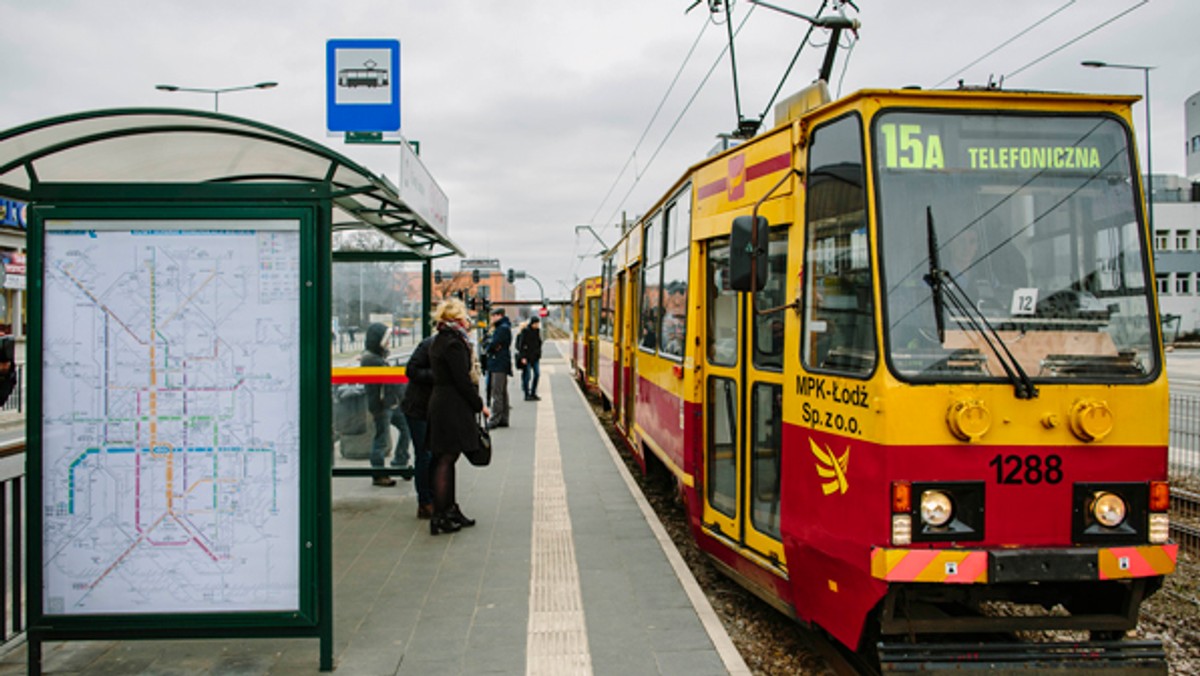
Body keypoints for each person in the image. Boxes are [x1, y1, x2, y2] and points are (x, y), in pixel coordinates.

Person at [427, 298, 489, 535]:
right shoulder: (453, 343)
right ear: (456, 318)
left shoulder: (441, 340)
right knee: (446, 459)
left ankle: (449, 511)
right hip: (451, 405)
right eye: (464, 315)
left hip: (444, 403)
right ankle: (441, 516)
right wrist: (478, 405)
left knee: (448, 458)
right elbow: (461, 379)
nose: (468, 320)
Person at [402, 335, 436, 518]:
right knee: (424, 455)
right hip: (418, 408)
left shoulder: (452, 345)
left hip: (432, 409)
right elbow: (411, 370)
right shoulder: (429, 345)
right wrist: (436, 374)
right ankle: (425, 501)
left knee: (432, 455)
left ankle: (432, 496)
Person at [361, 323, 397, 486]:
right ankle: (378, 473)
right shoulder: (373, 360)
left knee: (404, 428)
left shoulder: (375, 357)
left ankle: (400, 461)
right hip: (382, 405)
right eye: (386, 340)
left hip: (388, 403)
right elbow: (384, 381)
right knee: (380, 439)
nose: (388, 343)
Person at [483, 307, 513, 429]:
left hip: (498, 363)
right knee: (502, 392)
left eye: (493, 316)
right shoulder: (504, 327)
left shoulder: (501, 329)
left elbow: (493, 344)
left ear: (499, 316)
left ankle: (495, 419)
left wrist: (490, 345)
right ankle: (503, 419)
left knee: (497, 392)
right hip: (500, 362)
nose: (492, 318)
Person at [516, 316, 543, 401]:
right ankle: (527, 394)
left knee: (537, 374)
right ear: (532, 323)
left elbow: (539, 343)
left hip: (535, 357)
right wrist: (523, 357)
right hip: (526, 357)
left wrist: (538, 353)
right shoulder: (525, 332)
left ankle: (533, 392)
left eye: (538, 323)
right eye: (536, 323)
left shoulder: (537, 331)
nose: (537, 325)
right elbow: (521, 345)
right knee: (527, 376)